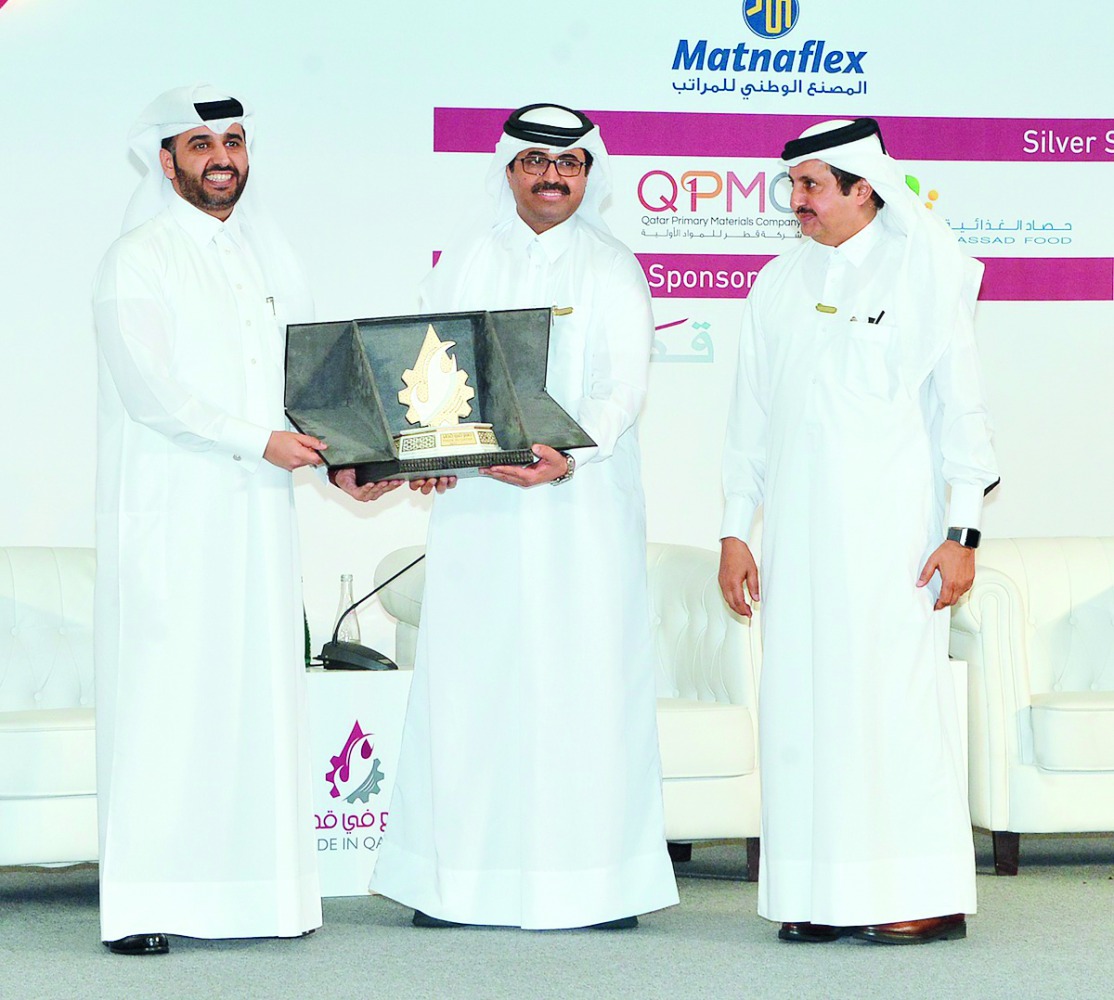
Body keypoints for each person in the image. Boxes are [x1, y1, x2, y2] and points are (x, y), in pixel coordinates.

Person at [359, 103, 679, 929]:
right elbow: (431, 371)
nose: (551, 176)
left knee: (583, 687)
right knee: (474, 687)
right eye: (536, 162)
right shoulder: (467, 257)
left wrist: (572, 453)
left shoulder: (612, 266)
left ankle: (597, 886)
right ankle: (457, 884)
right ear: (508, 171)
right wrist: (425, 456)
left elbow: (622, 387)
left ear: (587, 174)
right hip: (480, 516)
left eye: (568, 164)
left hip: (580, 511)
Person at [92, 84, 369, 956]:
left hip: (256, 512)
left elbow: (304, 389)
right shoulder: (135, 258)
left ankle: (262, 899)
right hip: (175, 516)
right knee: (169, 703)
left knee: (256, 697)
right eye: (202, 143)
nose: (223, 158)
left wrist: (350, 454)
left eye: (236, 141)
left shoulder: (266, 257)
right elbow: (154, 394)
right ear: (166, 157)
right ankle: (145, 907)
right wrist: (263, 442)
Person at [718, 118, 999, 945]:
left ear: (864, 186)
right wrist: (737, 530)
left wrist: (965, 532)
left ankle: (922, 893)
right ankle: (817, 893)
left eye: (811, 185)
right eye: (793, 184)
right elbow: (750, 419)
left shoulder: (925, 271)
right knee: (804, 707)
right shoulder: (776, 281)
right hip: (800, 543)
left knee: (891, 711)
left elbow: (962, 410)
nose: (795, 200)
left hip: (895, 540)